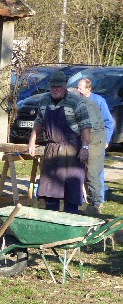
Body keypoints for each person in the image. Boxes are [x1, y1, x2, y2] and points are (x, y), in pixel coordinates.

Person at [28, 70, 92, 213]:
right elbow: (39, 122)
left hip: (72, 150)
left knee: (72, 190)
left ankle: (70, 222)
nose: (55, 90)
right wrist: (32, 141)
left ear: (64, 86)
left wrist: (85, 147)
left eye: (58, 87)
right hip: (52, 149)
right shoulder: (44, 100)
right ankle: (52, 222)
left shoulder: (76, 102)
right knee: (50, 190)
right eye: (52, 87)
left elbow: (86, 126)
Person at [76, 77, 115, 214]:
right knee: (83, 171)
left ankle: (98, 202)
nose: (78, 89)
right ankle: (82, 199)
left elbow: (108, 122)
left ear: (88, 88)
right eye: (77, 87)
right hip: (84, 140)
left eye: (80, 87)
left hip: (97, 140)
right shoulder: (78, 101)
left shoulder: (98, 101)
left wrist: (106, 140)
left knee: (94, 171)